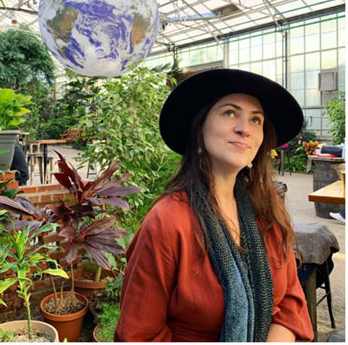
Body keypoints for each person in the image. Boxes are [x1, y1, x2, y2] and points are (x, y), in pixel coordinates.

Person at [114, 69, 314, 342]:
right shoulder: (168, 222)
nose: (244, 128)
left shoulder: (267, 213)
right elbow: (138, 335)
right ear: (200, 127)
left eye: (256, 119)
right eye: (230, 113)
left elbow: (291, 302)